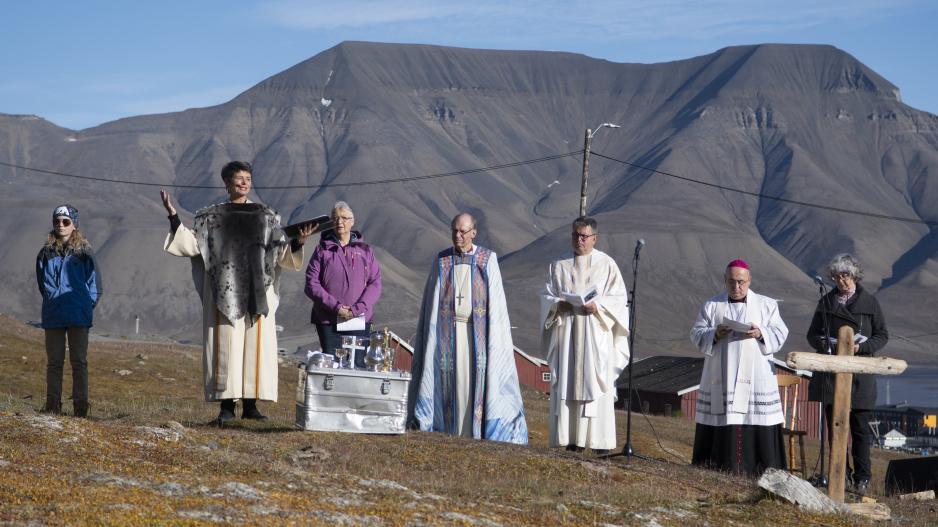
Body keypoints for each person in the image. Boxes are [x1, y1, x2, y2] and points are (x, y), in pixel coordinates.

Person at [160, 161, 314, 425]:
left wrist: (299, 241)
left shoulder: (265, 216)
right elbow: (195, 245)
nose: (244, 183)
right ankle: (227, 407)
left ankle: (251, 406)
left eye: (248, 178)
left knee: (254, 347)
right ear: (227, 183)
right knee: (226, 347)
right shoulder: (212, 216)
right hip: (225, 290)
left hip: (257, 289)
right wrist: (173, 216)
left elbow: (279, 253)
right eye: (238, 178)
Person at [408, 213, 528, 444]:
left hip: (478, 338)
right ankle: (447, 429)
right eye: (454, 231)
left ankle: (475, 432)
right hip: (446, 336)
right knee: (451, 384)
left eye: (463, 231)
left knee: (476, 384)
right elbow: (430, 304)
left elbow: (497, 305)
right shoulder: (442, 260)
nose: (458, 236)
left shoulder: (487, 260)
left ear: (474, 232)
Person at [689, 259, 789, 476]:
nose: (737, 287)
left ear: (749, 280)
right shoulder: (712, 305)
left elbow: (780, 333)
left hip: (756, 377)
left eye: (741, 282)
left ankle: (762, 470)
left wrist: (760, 333)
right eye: (732, 282)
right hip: (722, 373)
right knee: (726, 416)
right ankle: (721, 467)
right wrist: (714, 333)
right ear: (724, 281)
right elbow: (696, 334)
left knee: (754, 418)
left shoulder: (766, 304)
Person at [540, 216, 630, 455]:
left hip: (594, 336)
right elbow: (546, 295)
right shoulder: (558, 265)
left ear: (594, 238)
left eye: (584, 236)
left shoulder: (606, 264)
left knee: (595, 381)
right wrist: (558, 305)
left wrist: (598, 307)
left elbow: (619, 299)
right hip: (567, 332)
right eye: (575, 235)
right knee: (568, 380)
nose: (579, 240)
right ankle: (571, 439)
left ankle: (598, 441)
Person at [807, 253, 888, 496]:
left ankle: (862, 478)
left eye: (845, 275)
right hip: (832, 376)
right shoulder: (826, 303)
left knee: (860, 430)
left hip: (860, 376)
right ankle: (839, 473)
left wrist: (860, 348)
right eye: (836, 276)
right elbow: (812, 334)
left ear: (854, 275)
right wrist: (825, 345)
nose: (841, 281)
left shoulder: (870, 303)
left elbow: (882, 335)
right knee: (836, 427)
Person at [36, 205, 101, 417]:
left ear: (74, 225)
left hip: (78, 315)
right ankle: (52, 406)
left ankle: (81, 408)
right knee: (54, 362)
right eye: (57, 221)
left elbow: (95, 285)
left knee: (79, 362)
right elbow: (41, 283)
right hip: (54, 315)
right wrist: (52, 298)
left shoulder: (84, 253)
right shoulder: (45, 254)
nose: (60, 225)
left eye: (65, 221)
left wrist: (84, 304)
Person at [305, 201, 382, 366]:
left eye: (344, 218)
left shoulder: (365, 251)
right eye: (335, 218)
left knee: (358, 365)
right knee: (332, 366)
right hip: (328, 320)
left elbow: (375, 283)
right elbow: (311, 284)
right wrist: (337, 307)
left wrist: (356, 309)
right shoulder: (321, 250)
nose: (340, 222)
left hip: (359, 320)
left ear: (352, 221)